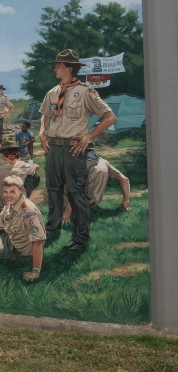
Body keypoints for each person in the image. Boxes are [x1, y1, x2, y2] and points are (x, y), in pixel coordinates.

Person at [40, 49, 116, 251]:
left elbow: (110, 117)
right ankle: (52, 229)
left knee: (76, 193)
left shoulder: (85, 92)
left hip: (74, 149)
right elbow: (45, 115)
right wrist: (41, 132)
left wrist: (89, 136)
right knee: (53, 190)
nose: (55, 68)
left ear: (70, 68)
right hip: (54, 149)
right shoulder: (53, 92)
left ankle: (80, 238)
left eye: (59, 65)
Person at [61, 153, 132, 222]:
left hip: (81, 202)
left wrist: (67, 212)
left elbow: (77, 188)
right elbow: (125, 180)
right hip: (93, 202)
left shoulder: (81, 164)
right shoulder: (104, 162)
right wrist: (126, 201)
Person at [0, 135, 39, 209]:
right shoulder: (24, 166)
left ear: (3, 152)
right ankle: (24, 198)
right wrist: (33, 165)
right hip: (17, 203)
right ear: (16, 151)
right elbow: (35, 167)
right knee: (32, 175)